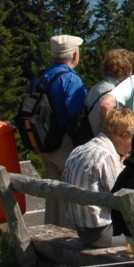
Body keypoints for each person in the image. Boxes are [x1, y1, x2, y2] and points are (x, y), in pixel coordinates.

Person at [62, 105, 134, 247]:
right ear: (124, 136)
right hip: (101, 233)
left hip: (81, 229)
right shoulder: (107, 156)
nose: (133, 146)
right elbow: (123, 198)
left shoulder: (80, 149)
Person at [34, 33, 88, 226]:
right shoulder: (71, 80)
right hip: (63, 143)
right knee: (69, 193)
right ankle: (67, 234)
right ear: (74, 55)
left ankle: (50, 230)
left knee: (52, 193)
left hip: (43, 143)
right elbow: (77, 114)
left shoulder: (41, 76)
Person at [86, 48, 134, 138]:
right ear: (126, 71)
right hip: (108, 142)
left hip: (92, 139)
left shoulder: (94, 89)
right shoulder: (114, 94)